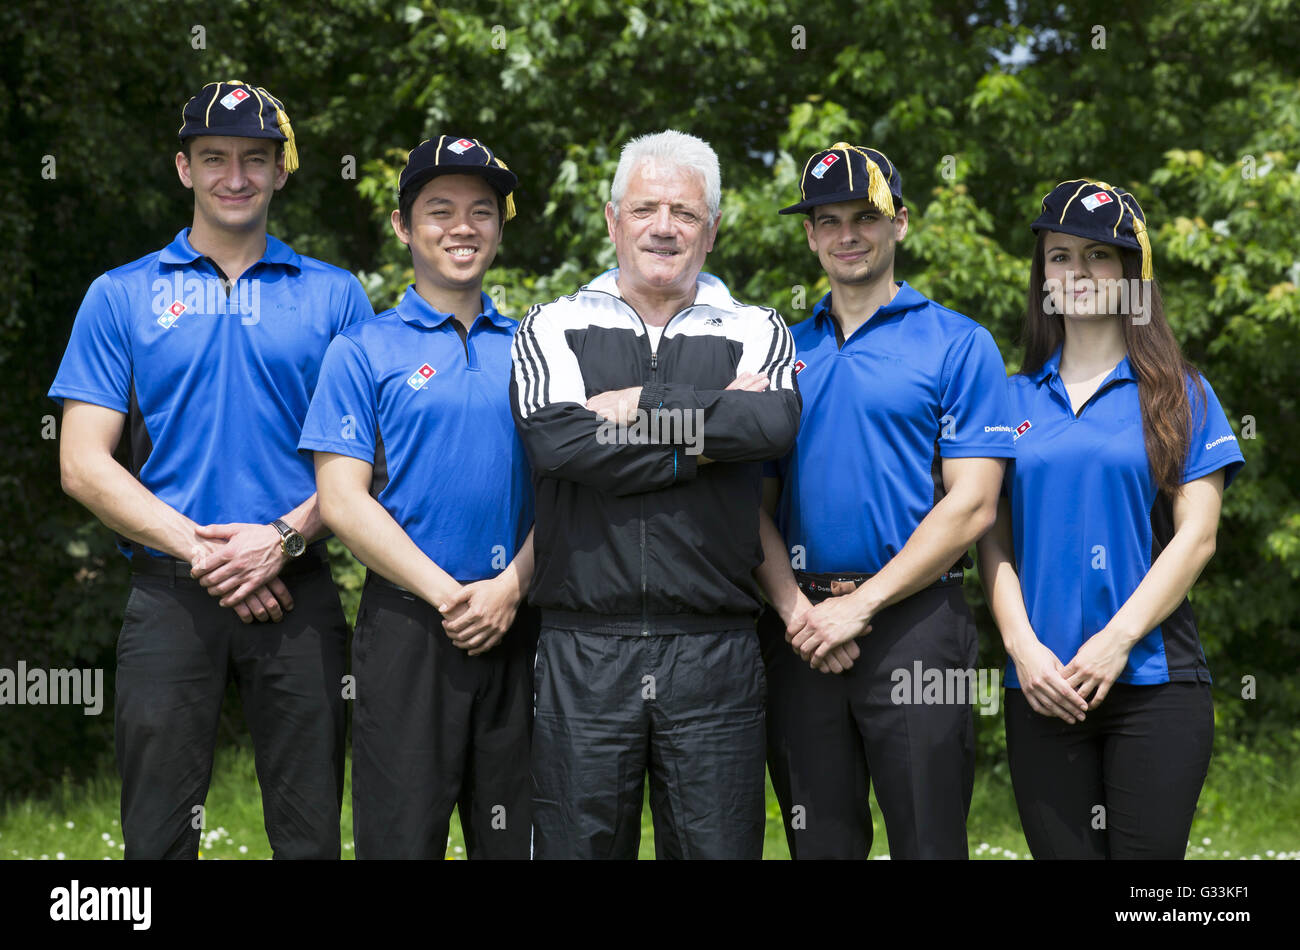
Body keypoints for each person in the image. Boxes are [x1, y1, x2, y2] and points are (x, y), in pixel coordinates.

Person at [49, 80, 374, 859]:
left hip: (299, 593)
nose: (236, 176)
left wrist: (281, 543)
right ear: (184, 167)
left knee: (310, 841)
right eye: (216, 157)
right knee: (155, 842)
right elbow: (81, 463)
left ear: (280, 170)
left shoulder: (336, 297)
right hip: (168, 597)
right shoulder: (118, 296)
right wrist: (207, 552)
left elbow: (370, 459)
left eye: (255, 159)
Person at [510, 129, 801, 860]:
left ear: (713, 228)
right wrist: (703, 439)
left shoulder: (757, 327)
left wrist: (639, 399)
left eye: (684, 211)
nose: (664, 227)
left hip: (716, 653)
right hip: (584, 648)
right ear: (613, 220)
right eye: (645, 208)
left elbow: (770, 423)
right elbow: (560, 446)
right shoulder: (552, 323)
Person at [755, 143, 1014, 859]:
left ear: (899, 222)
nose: (847, 234)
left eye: (865, 216)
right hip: (800, 628)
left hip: (914, 623)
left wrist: (859, 608)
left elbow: (972, 506)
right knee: (821, 845)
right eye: (828, 219)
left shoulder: (959, 343)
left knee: (929, 842)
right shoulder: (779, 351)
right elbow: (752, 504)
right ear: (809, 234)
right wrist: (798, 612)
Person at [976, 179, 1244, 859]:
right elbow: (993, 540)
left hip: (1155, 683)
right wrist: (1023, 650)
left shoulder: (1181, 393)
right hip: (1042, 685)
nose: (1078, 273)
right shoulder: (1009, 398)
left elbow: (1198, 536)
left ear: (1132, 272)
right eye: (1060, 257)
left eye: (1098, 256)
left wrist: (1116, 640)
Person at [301, 136, 537, 859]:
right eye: (439, 211)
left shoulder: (538, 346)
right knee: (401, 842)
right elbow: (341, 500)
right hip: (408, 631)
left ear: (500, 226)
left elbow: (570, 492)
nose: (461, 227)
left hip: (522, 624)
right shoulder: (362, 349)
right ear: (404, 226)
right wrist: (451, 597)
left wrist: (508, 589)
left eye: (481, 211)